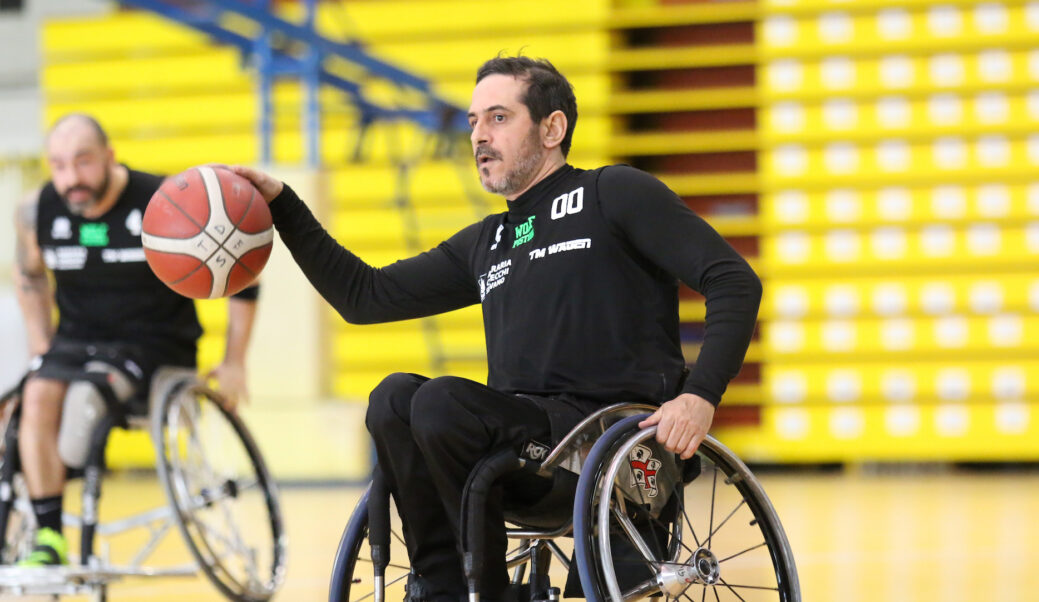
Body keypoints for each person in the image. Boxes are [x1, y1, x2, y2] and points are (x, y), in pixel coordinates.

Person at [234, 55, 761, 601]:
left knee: (440, 402)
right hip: (525, 447)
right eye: (472, 122)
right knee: (392, 397)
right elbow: (363, 297)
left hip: (614, 445)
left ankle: (481, 590)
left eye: (498, 118)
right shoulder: (489, 241)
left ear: (552, 128)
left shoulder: (615, 194)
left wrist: (700, 395)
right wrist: (284, 206)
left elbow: (733, 281)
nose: (479, 136)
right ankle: (442, 586)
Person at [11, 114, 260, 566]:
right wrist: (39, 344)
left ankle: (64, 480)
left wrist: (234, 361)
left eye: (83, 163)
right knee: (34, 394)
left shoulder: (164, 202)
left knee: (84, 400)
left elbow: (242, 273)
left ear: (110, 156)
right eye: (58, 166)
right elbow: (28, 275)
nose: (71, 180)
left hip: (154, 345)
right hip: (76, 342)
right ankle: (50, 536)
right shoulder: (37, 210)